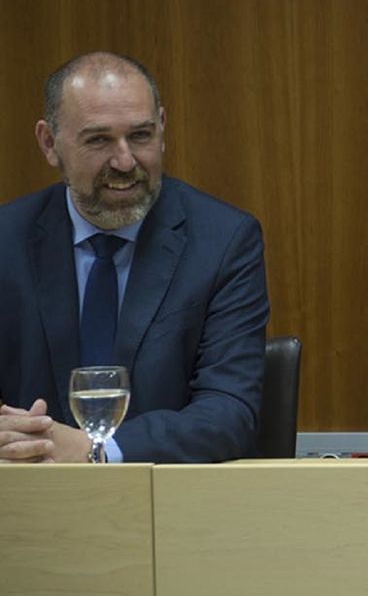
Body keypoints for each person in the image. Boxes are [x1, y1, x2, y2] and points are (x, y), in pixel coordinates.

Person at [0, 52, 269, 464]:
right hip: (25, 507)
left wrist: (98, 450)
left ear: (163, 128)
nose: (125, 162)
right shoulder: (7, 241)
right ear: (49, 143)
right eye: (99, 140)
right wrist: (18, 438)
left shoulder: (224, 241)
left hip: (170, 508)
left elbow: (228, 412)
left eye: (141, 136)